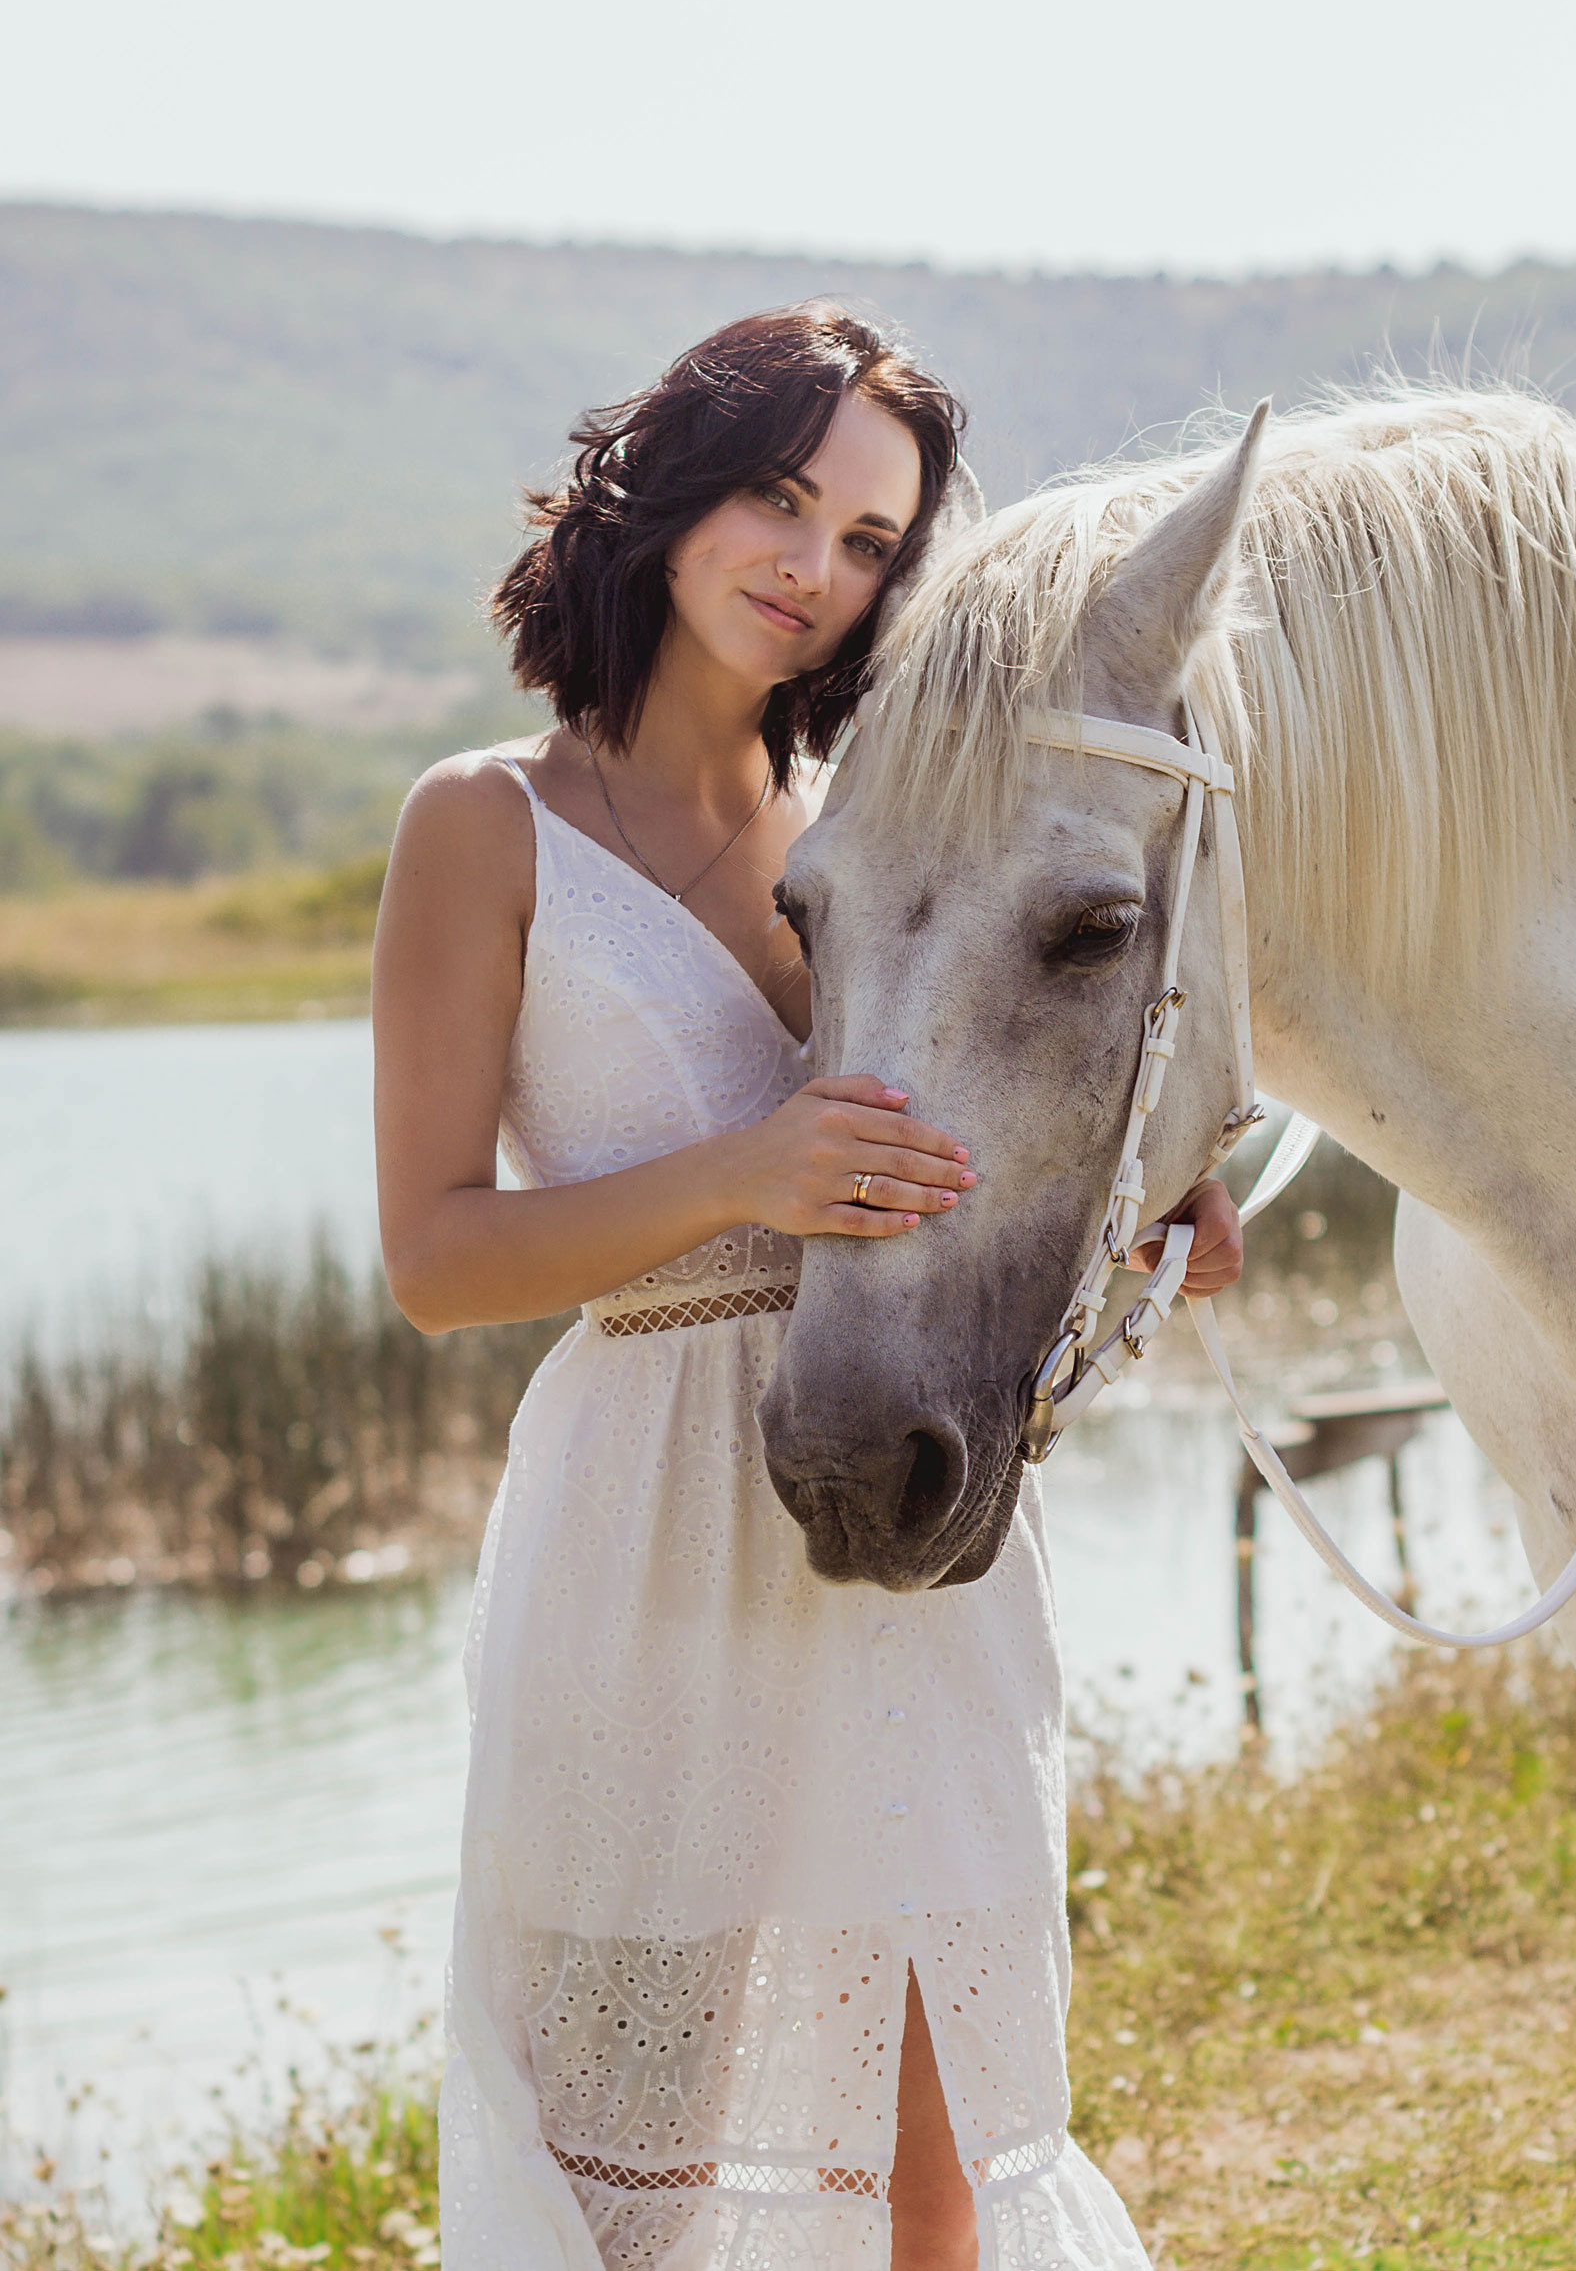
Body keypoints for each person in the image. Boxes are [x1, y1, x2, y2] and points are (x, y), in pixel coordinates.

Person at [372, 305, 1243, 2271]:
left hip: (906, 1494)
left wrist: (1153, 1188)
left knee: (941, 2160)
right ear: (665, 491)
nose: (815, 568)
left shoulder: (880, 801)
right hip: (652, 1520)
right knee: (645, 2169)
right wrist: (738, 1174)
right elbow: (433, 1257)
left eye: (867, 539)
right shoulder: (483, 822)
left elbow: (1036, 1034)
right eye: (783, 501)